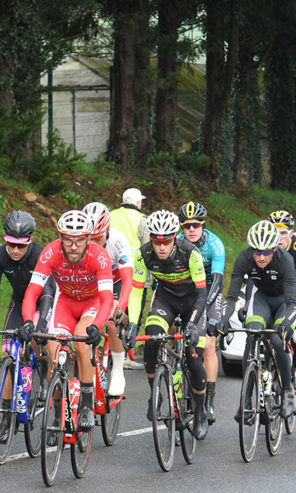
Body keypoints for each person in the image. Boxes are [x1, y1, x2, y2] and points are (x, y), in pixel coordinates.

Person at [21, 210, 114, 431]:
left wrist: (96, 326)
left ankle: (87, 404)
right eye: (68, 240)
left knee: (82, 341)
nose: (73, 246)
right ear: (60, 237)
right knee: (52, 349)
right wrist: (28, 321)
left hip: (91, 303)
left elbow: (106, 298)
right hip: (65, 302)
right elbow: (33, 291)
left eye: (79, 240)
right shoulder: (51, 252)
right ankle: (57, 415)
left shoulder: (100, 256)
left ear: (88, 239)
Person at [122, 210, 210, 440]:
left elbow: (202, 293)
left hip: (193, 302)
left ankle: (200, 410)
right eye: (156, 241)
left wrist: (192, 324)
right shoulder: (143, 254)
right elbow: (136, 291)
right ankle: (156, 393)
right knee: (152, 337)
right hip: (166, 299)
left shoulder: (190, 252)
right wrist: (132, 324)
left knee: (193, 357)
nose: (161, 247)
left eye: (167, 241)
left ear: (174, 237)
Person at [0, 210, 44, 442]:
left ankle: (45, 382)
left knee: (37, 339)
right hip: (19, 303)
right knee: (10, 354)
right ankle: (6, 415)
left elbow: (49, 291)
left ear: (30, 241)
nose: (15, 250)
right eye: (11, 244)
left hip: (43, 302)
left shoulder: (39, 254)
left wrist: (38, 324)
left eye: (20, 246)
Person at [217, 220, 296, 419]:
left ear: (274, 249)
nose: (261, 257)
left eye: (266, 252)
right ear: (251, 249)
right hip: (260, 299)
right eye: (257, 252)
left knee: (278, 340)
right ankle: (246, 399)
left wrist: (287, 323)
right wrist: (224, 319)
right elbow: (231, 297)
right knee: (252, 333)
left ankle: (287, 390)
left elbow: (292, 303)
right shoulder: (244, 258)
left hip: (283, 302)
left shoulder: (285, 260)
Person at [177, 201, 225, 424]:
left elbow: (217, 281)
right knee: (175, 333)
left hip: (209, 291)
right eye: (187, 226)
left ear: (203, 225)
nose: (191, 229)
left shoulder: (215, 245)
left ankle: (209, 401)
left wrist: (203, 311)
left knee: (208, 344)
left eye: (196, 225)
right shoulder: (176, 242)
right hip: (186, 290)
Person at [83, 201, 133, 396]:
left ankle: (118, 370)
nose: (94, 244)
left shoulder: (118, 242)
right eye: (90, 238)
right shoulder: (78, 244)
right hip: (92, 284)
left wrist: (120, 307)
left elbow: (127, 279)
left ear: (107, 230)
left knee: (112, 321)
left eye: (98, 238)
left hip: (115, 283)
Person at [267, 209, 296, 412]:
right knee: (267, 335)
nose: (278, 238)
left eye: (283, 233)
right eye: (274, 232)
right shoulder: (264, 246)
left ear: (291, 233)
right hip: (273, 296)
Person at [111, 188, 148, 369]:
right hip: (135, 274)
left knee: (114, 313)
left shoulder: (111, 215)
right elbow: (148, 248)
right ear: (138, 202)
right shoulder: (142, 219)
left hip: (112, 272)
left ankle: (112, 352)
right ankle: (124, 355)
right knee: (133, 315)